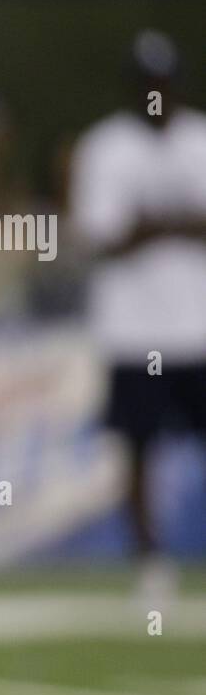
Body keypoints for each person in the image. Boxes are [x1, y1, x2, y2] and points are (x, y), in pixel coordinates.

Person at [69, 30, 206, 607]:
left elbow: (136, 229)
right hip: (133, 327)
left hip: (197, 324)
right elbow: (101, 236)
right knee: (138, 448)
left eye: (163, 82)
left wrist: (148, 224)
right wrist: (170, 224)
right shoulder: (105, 147)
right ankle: (150, 561)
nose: (157, 93)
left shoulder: (199, 138)